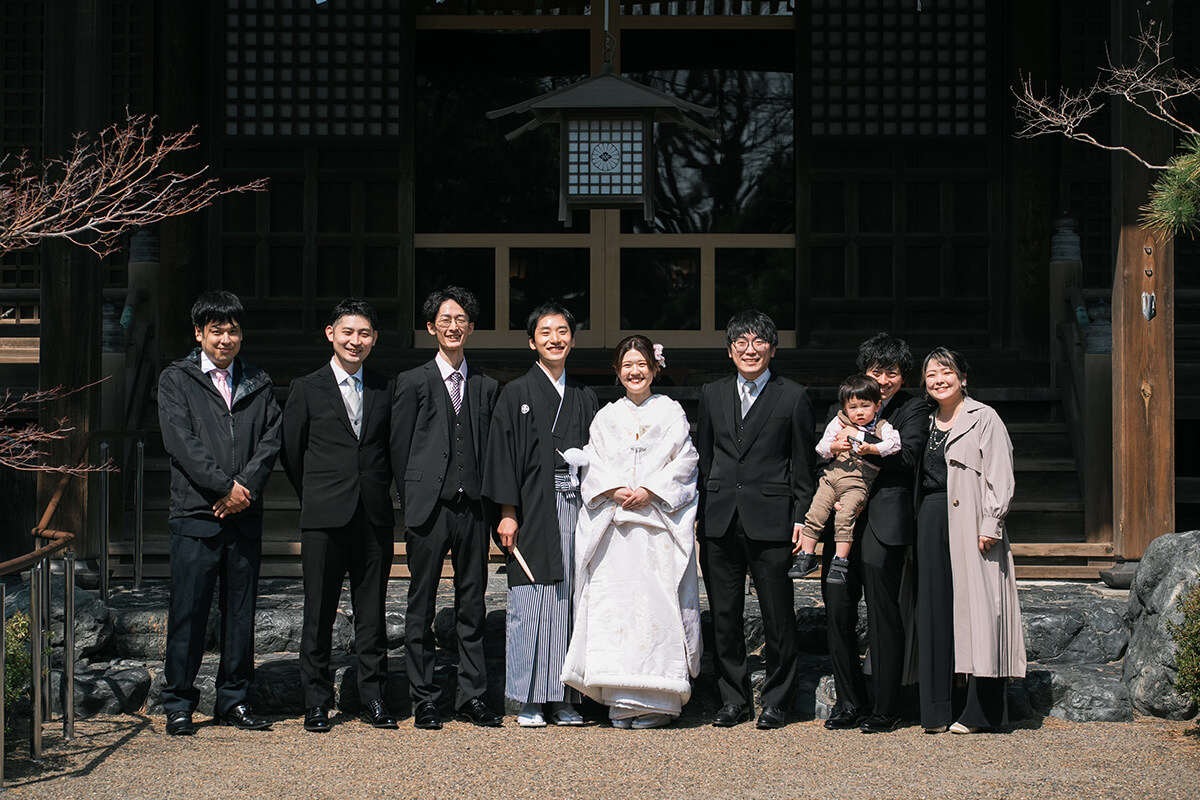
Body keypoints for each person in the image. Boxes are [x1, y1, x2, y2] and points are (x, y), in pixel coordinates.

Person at [158, 290, 282, 736]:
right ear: (199, 334)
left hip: (243, 514)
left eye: (232, 330)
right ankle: (179, 702)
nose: (225, 339)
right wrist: (223, 486)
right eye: (216, 331)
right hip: (196, 512)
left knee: (240, 613)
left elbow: (271, 441)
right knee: (188, 612)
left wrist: (242, 489)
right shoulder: (177, 380)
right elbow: (181, 442)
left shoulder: (259, 383)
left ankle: (234, 699)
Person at [561, 336, 702, 730]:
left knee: (658, 609)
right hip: (616, 528)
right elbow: (592, 461)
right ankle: (621, 701)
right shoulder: (606, 416)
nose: (634, 371)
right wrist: (612, 488)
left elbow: (686, 459)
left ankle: (659, 700)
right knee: (617, 610)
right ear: (617, 371)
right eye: (627, 365)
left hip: (656, 527)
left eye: (642, 364)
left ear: (655, 369)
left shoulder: (671, 412)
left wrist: (651, 490)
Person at [695, 310, 815, 729]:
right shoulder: (711, 394)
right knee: (724, 616)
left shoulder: (794, 396)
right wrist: (700, 514)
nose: (750, 349)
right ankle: (733, 699)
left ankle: (778, 701)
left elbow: (803, 465)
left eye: (758, 342)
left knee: (777, 615)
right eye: (741, 343)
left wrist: (804, 518)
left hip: (773, 519)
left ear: (772, 348)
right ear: (730, 351)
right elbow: (705, 458)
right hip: (720, 518)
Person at [280, 299, 396, 734]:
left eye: (364, 333)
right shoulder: (306, 387)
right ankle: (316, 701)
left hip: (373, 516)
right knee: (319, 612)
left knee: (372, 613)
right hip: (325, 516)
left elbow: (389, 448)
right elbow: (292, 452)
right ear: (331, 333)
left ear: (374, 339)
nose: (356, 341)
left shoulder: (386, 387)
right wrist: (316, 494)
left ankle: (374, 698)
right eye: (348, 332)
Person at [483, 301, 599, 728]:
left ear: (572, 338)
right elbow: (502, 456)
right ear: (532, 342)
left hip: (579, 507)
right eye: (545, 332)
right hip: (532, 509)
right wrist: (507, 512)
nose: (555, 338)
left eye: (563, 330)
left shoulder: (586, 396)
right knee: (534, 598)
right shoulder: (515, 393)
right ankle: (531, 698)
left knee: (572, 600)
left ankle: (567, 698)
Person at [391, 287, 502, 730]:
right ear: (431, 327)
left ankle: (471, 696)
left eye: (461, 319)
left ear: (471, 328)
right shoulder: (412, 381)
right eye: (445, 319)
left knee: (471, 603)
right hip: (428, 509)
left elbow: (493, 450)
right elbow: (399, 449)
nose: (453, 326)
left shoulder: (486, 386)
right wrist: (412, 498)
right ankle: (425, 698)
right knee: (420, 602)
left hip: (472, 508)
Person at [817, 333, 928, 734]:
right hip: (845, 524)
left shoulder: (913, 408)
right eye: (876, 371)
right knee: (838, 609)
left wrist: (863, 441)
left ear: (903, 376)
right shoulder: (844, 406)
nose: (883, 380)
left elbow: (910, 457)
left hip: (884, 521)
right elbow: (824, 456)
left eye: (892, 372)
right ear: (863, 371)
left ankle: (886, 705)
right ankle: (849, 702)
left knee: (884, 614)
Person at [916, 347, 1026, 734]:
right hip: (930, 518)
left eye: (946, 372)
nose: (938, 380)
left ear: (963, 378)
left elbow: (1001, 472)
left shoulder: (984, 418)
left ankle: (981, 713)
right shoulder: (923, 420)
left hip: (973, 521)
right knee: (936, 611)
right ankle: (936, 710)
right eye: (931, 374)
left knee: (981, 611)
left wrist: (991, 522)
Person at [792, 373, 901, 584]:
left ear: (877, 406)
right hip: (831, 477)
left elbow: (894, 445)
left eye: (865, 406)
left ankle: (839, 562)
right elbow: (820, 448)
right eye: (853, 407)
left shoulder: (882, 427)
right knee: (815, 514)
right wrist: (834, 447)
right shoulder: (838, 422)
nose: (859, 412)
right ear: (844, 408)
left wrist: (870, 447)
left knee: (845, 518)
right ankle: (807, 557)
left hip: (858, 483)